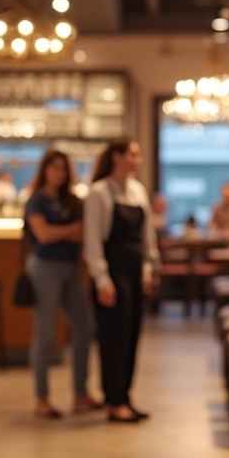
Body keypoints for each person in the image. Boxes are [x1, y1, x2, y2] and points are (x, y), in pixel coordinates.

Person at [83, 138, 160, 423]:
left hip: (134, 270)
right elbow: (92, 241)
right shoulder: (99, 192)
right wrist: (102, 279)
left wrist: (149, 268)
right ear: (117, 157)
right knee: (113, 337)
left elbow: (147, 236)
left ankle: (125, 395)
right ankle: (113, 399)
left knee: (132, 335)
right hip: (112, 272)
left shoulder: (137, 190)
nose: (139, 160)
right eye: (134, 154)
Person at [23, 150, 102, 419]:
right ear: (45, 170)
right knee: (45, 334)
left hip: (71, 268)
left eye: (63, 168)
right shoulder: (36, 200)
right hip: (44, 268)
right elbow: (43, 235)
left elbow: (84, 233)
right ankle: (42, 397)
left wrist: (61, 232)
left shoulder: (73, 201)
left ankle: (81, 392)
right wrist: (68, 231)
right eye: (54, 168)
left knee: (84, 329)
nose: (59, 173)